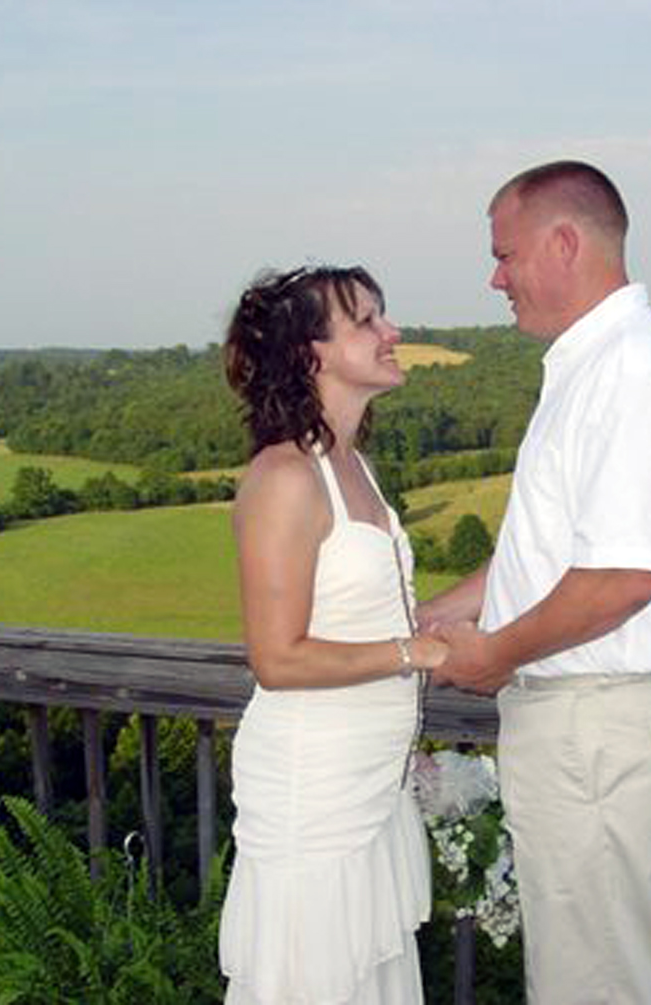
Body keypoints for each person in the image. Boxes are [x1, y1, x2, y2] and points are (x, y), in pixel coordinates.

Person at [421, 161, 651, 1003]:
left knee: (598, 986)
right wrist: (429, 615)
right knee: (579, 978)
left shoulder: (633, 368)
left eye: (504, 255)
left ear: (564, 243)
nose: (496, 279)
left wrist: (493, 655)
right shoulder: (598, 366)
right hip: (589, 731)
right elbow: (549, 558)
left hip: (600, 731)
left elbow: (624, 575)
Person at [217, 265, 446, 1004]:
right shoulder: (285, 478)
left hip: (371, 784)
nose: (392, 332)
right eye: (367, 320)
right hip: (313, 790)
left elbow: (363, 615)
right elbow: (276, 657)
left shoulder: (354, 467)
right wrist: (414, 654)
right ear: (309, 353)